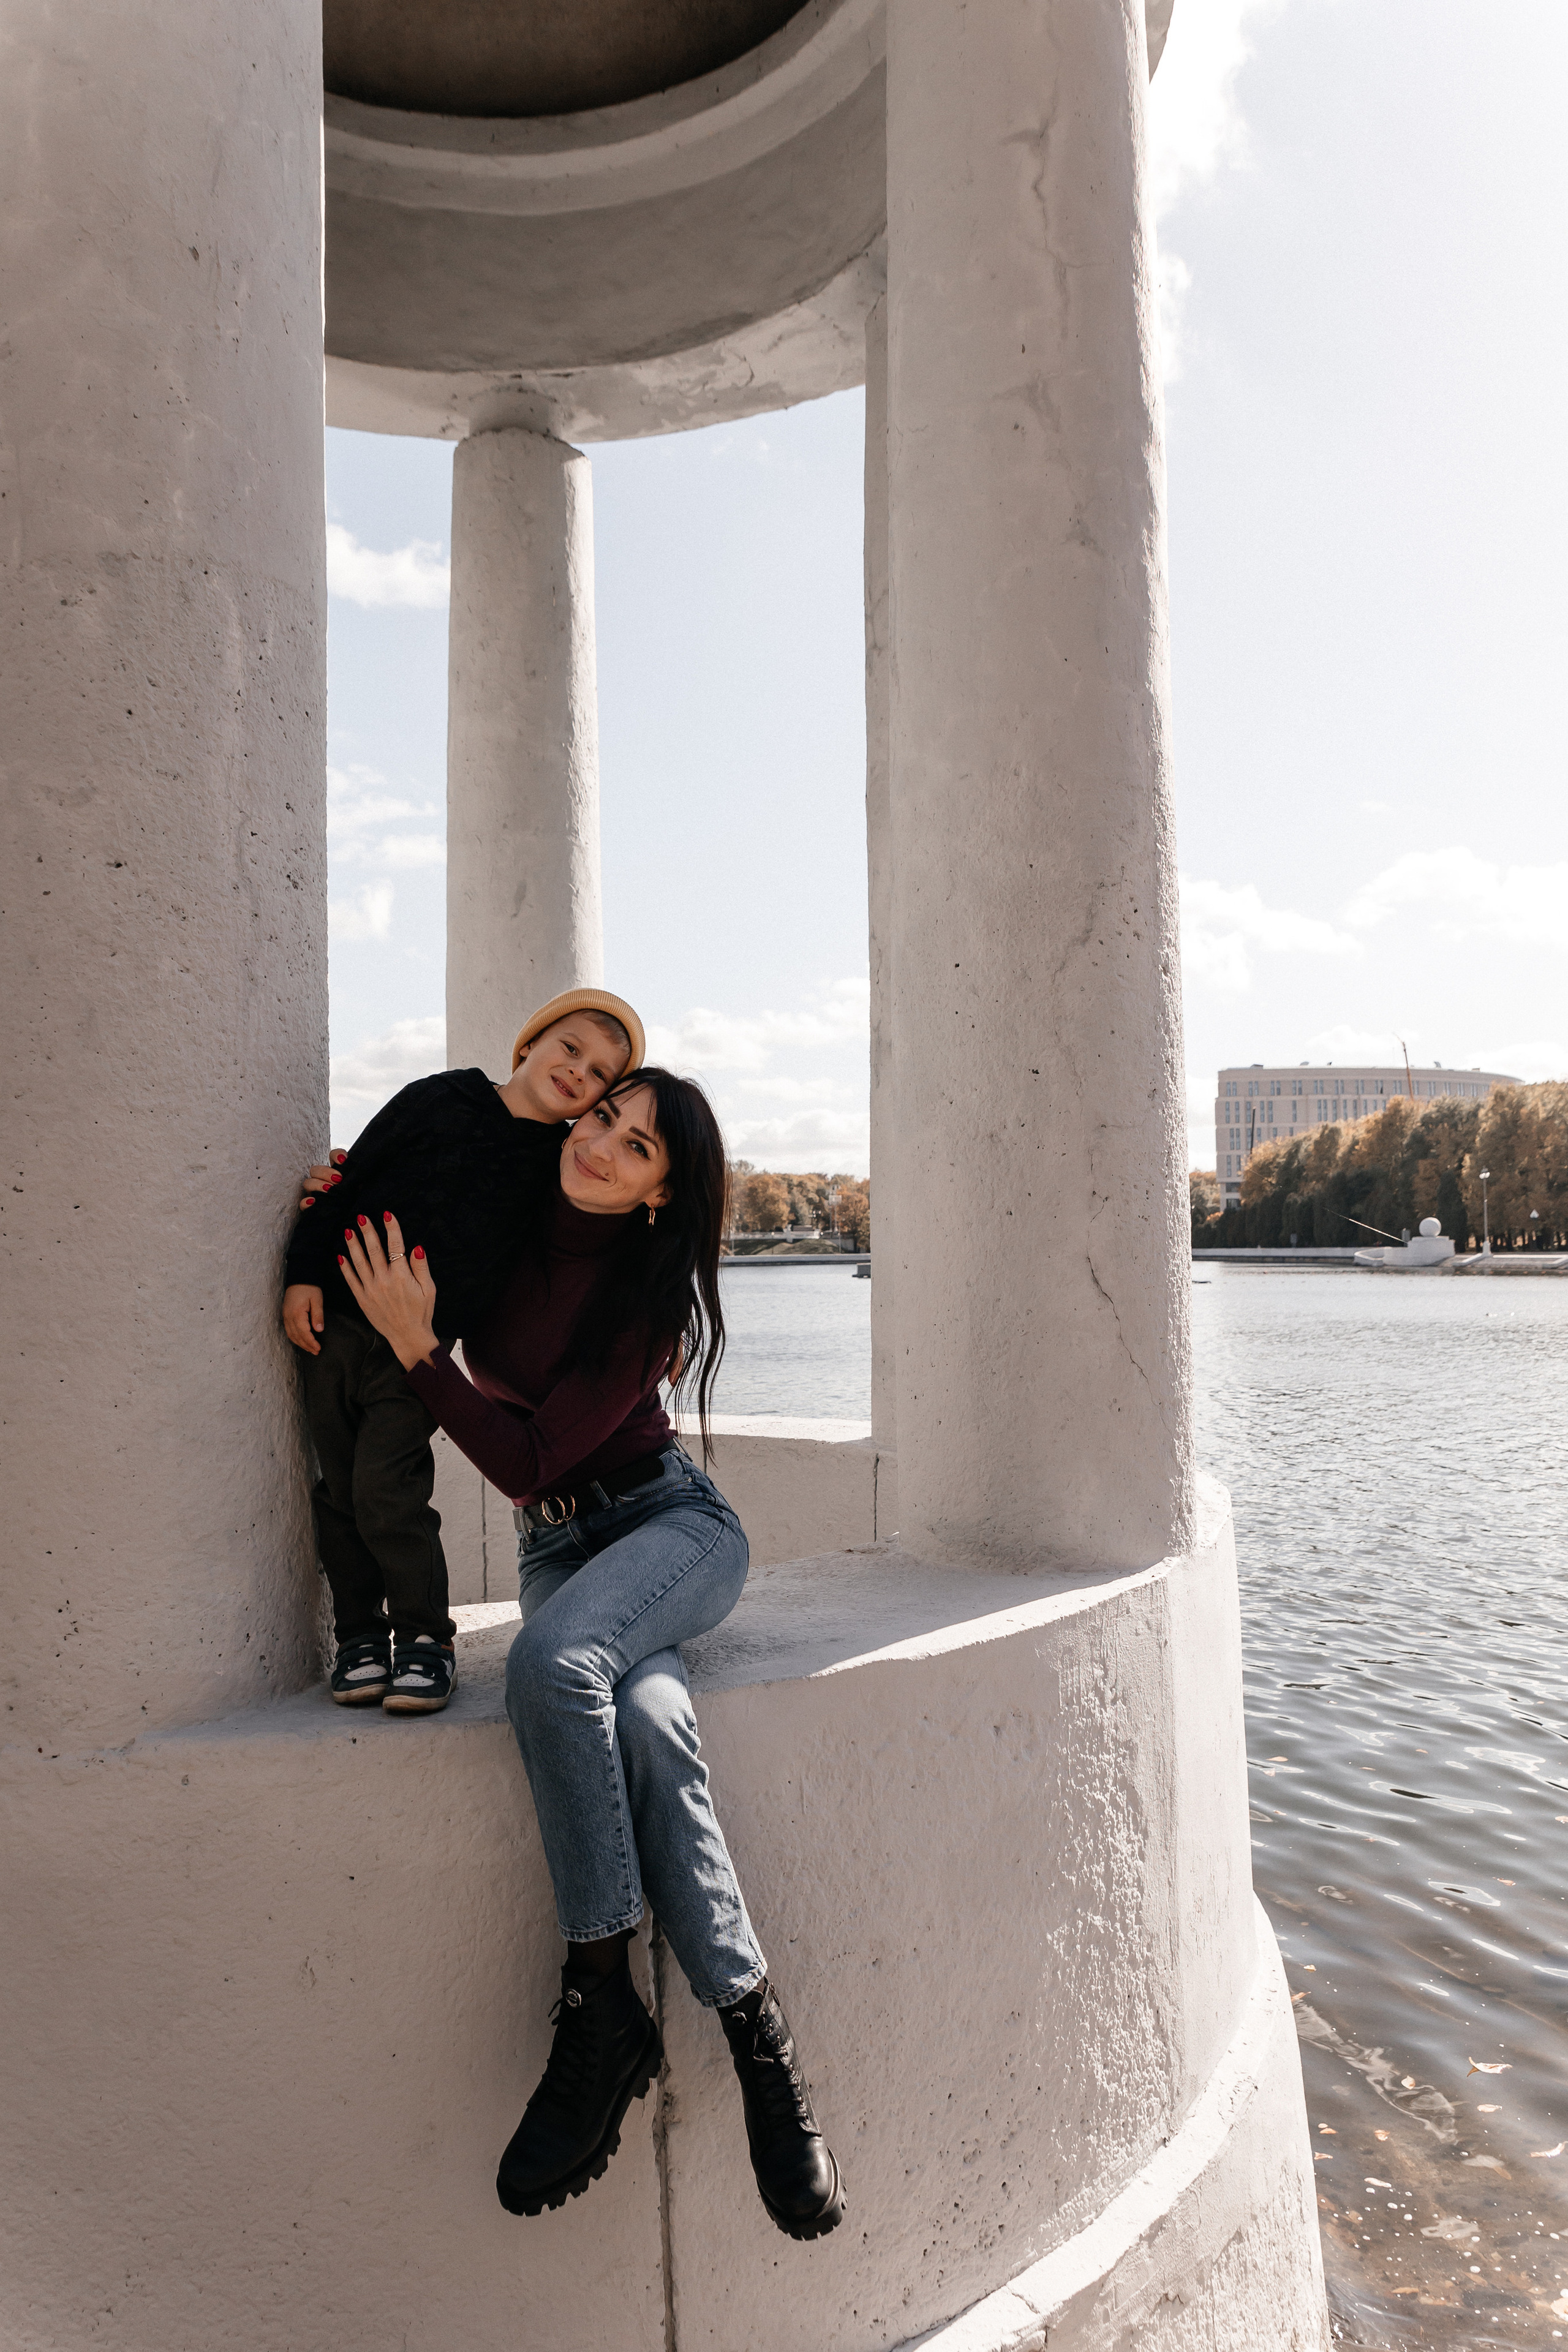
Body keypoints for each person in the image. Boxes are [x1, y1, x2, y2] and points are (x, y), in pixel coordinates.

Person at [336, 1068, 846, 2241]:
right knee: (653, 1722)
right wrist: (336, 1195)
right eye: (603, 1118)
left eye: (640, 1147)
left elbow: (527, 1458)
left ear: (665, 1194)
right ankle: (758, 2035)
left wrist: (423, 1357)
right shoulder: (513, 1220)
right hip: (563, 1555)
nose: (604, 1145)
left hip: (669, 1528)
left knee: (552, 1668)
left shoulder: (645, 1298)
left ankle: (601, 2001)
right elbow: (420, 1178)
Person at [283, 989, 643, 1714]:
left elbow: (593, 1247)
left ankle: (423, 1639)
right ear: (528, 1045)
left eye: (600, 1073)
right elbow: (346, 1185)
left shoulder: (555, 1169)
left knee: (389, 1490)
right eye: (569, 1047)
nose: (579, 1071)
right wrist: (301, 1273)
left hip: (416, 1350)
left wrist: (657, 1321)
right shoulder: (436, 1098)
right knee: (336, 1491)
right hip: (335, 1327)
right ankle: (357, 1635)